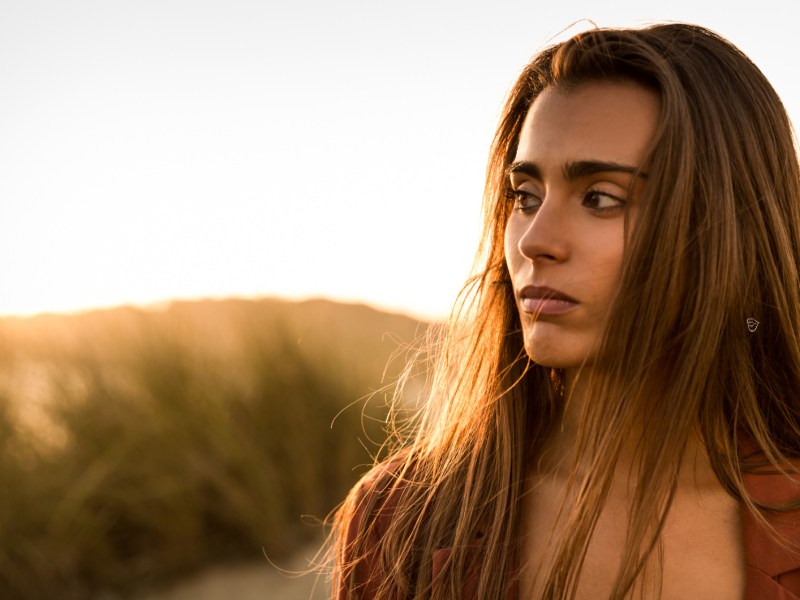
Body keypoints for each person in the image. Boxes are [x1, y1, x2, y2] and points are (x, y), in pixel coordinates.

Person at [328, 23, 800, 599]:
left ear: (727, 231)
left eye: (600, 198)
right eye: (525, 197)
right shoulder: (403, 518)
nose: (534, 240)